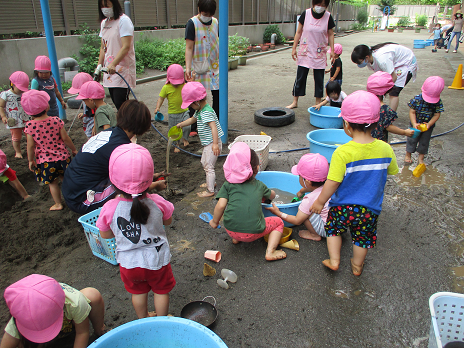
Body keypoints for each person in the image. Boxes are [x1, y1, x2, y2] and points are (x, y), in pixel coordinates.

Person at [310, 90, 399, 276]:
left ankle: (334, 260)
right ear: (376, 123)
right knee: (362, 239)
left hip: (342, 206)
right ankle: (357, 266)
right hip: (369, 208)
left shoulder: (342, 152)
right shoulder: (385, 148)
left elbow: (333, 182)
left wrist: (319, 202)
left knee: (333, 229)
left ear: (347, 124)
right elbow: (391, 171)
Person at [97, 143, 175, 318]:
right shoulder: (157, 201)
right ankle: (162, 321)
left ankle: (143, 318)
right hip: (157, 258)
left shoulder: (110, 207)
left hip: (129, 263)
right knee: (161, 291)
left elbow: (105, 234)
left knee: (138, 293)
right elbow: (168, 221)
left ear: (113, 180)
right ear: (149, 180)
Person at [62, 100, 166, 214]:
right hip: (81, 200)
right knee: (125, 185)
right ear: (143, 126)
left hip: (70, 189)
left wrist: (153, 176)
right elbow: (131, 187)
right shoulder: (122, 148)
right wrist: (155, 185)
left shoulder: (108, 133)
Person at [209, 142, 287, 261]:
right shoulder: (259, 185)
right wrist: (270, 195)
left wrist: (215, 222)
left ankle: (236, 239)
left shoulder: (228, 185)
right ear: (256, 168)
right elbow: (272, 195)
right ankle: (270, 252)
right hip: (253, 232)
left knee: (235, 211)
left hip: (230, 229)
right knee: (279, 223)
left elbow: (221, 205)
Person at [0, 274, 105, 348]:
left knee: (92, 294)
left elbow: (82, 332)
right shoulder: (19, 319)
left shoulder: (74, 302)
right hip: (41, 344)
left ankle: (100, 330)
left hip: (71, 326)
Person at [22, 90, 77, 211]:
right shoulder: (56, 120)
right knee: (66, 179)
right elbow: (65, 138)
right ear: (47, 106)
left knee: (53, 183)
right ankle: (74, 197)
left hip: (46, 161)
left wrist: (31, 160)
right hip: (63, 157)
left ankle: (58, 203)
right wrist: (74, 149)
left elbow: (30, 146)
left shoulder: (30, 126)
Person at [266, 153, 330, 242]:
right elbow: (316, 188)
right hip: (341, 225)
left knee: (305, 211)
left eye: (299, 176)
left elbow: (297, 221)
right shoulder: (330, 187)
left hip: (329, 231)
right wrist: (302, 191)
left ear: (307, 181)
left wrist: (279, 213)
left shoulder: (309, 200)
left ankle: (314, 234)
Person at [176, 82, 223, 198]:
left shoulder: (206, 112)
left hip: (212, 143)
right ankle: (211, 181)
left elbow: (214, 127)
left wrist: (215, 144)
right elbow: (192, 120)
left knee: (208, 166)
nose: (190, 107)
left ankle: (210, 190)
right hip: (208, 144)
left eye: (191, 105)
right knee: (204, 163)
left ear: (197, 102)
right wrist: (182, 124)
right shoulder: (200, 110)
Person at [286, 0, 335, 109]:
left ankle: (317, 103)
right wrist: (294, 48)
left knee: (319, 79)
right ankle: (295, 102)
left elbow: (331, 34)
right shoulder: (306, 14)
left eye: (323, 5)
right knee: (300, 77)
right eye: (318, 4)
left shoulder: (328, 17)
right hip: (305, 51)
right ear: (313, 3)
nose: (320, 7)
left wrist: (332, 49)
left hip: (319, 52)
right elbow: (298, 32)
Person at [351, 43, 417, 111]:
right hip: (395, 63)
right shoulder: (369, 60)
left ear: (366, 57)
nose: (359, 65)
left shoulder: (382, 59)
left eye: (359, 62)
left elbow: (393, 77)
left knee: (394, 92)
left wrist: (384, 91)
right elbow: (380, 75)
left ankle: (390, 116)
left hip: (406, 62)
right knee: (379, 89)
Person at [184, 0, 219, 127]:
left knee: (218, 94)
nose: (207, 16)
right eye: (205, 13)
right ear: (199, 9)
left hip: (215, 66)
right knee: (195, 95)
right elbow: (189, 47)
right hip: (198, 65)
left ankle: (215, 122)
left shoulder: (215, 22)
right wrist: (188, 68)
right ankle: (195, 125)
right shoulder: (192, 23)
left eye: (210, 14)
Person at [96, 0, 136, 110]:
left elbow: (126, 46)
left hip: (122, 69)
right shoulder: (104, 23)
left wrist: (114, 64)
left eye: (107, 5)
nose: (105, 8)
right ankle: (126, 123)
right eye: (102, 6)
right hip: (108, 70)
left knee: (121, 101)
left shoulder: (124, 21)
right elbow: (103, 47)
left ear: (114, 4)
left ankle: (130, 124)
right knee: (115, 100)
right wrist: (99, 66)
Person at [405, 76, 444, 165]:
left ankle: (421, 158)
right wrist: (414, 123)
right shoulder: (417, 99)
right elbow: (412, 112)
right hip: (415, 124)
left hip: (428, 126)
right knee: (412, 139)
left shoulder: (438, 102)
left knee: (424, 142)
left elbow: (437, 114)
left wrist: (429, 124)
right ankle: (408, 155)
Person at [367, 71, 414, 142]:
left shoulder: (364, 105)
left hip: (363, 142)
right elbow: (389, 127)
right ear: (388, 91)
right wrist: (404, 132)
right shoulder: (385, 110)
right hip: (379, 144)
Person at [154, 64, 190, 152]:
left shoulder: (184, 85)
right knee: (174, 130)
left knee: (187, 127)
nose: (176, 85)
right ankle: (176, 144)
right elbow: (161, 98)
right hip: (173, 113)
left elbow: (191, 91)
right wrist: (157, 107)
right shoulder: (166, 87)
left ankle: (185, 138)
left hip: (184, 111)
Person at [0, 71, 30, 158]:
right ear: (12, 84)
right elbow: (1, 106)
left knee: (29, 136)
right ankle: (18, 152)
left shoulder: (25, 93)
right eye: (20, 87)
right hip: (14, 121)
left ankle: (30, 150)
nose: (21, 90)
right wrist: (3, 116)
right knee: (16, 138)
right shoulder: (6, 94)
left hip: (26, 118)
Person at [68, 72, 95, 138]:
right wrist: (84, 114)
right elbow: (90, 111)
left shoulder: (92, 100)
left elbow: (96, 113)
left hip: (92, 124)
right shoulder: (85, 99)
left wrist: (95, 126)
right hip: (88, 122)